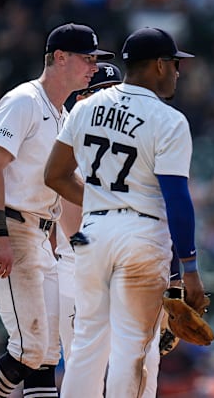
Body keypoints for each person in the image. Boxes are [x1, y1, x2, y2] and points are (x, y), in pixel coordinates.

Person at [44, 27, 206, 397]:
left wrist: (103, 203)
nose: (178, 72)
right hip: (142, 237)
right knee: (131, 350)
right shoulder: (168, 120)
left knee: (86, 347)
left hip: (93, 235)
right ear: (159, 66)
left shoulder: (85, 107)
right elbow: (177, 200)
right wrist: (190, 269)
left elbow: (54, 174)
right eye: (175, 64)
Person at [0, 23, 112, 398]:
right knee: (28, 349)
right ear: (59, 57)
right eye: (87, 58)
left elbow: (57, 188)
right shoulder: (25, 101)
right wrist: (0, 233)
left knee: (47, 354)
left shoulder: (61, 115)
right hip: (9, 226)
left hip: (36, 232)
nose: (93, 67)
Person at [57, 61, 124, 362]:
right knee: (85, 365)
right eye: (103, 92)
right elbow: (73, 227)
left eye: (117, 92)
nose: (112, 100)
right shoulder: (72, 140)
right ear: (82, 98)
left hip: (106, 264)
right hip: (76, 265)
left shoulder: (118, 144)